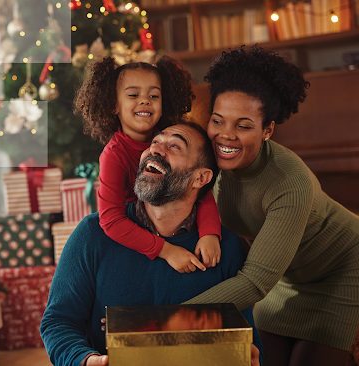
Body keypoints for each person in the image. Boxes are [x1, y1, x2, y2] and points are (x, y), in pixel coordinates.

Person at [182, 45, 359, 366]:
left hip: (341, 271)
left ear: (267, 131)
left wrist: (171, 315)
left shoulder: (290, 182)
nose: (226, 136)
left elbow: (255, 281)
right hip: (282, 278)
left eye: (244, 125)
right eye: (218, 121)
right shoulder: (208, 163)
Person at [40, 122, 264, 366]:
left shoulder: (225, 247)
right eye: (155, 141)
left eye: (175, 146)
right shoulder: (92, 234)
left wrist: (249, 357)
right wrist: (84, 359)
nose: (155, 149)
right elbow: (58, 322)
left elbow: (248, 340)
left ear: (201, 177)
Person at [73, 55, 222, 273]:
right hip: (137, 235)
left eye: (154, 95)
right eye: (133, 94)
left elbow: (200, 188)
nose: (145, 100)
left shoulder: (173, 136)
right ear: (114, 105)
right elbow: (111, 220)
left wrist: (210, 232)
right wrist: (167, 251)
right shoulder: (113, 155)